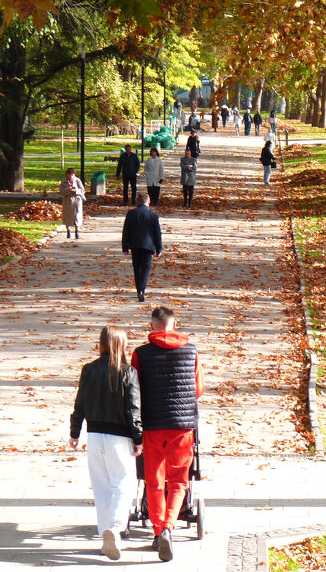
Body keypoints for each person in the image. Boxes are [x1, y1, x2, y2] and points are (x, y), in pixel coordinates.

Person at [131, 306, 204, 563]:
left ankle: (157, 528)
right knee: (178, 481)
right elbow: (198, 389)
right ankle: (168, 528)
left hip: (152, 425)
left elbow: (134, 390)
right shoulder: (191, 351)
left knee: (153, 480)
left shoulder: (140, 354)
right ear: (175, 324)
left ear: (152, 327)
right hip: (182, 427)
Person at [69, 326, 143, 561]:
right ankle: (116, 526)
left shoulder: (89, 370)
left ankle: (106, 536)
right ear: (122, 344)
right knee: (124, 484)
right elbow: (133, 409)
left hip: (94, 434)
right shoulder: (127, 372)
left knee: (101, 487)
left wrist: (74, 432)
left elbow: (79, 403)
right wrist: (138, 437)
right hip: (120, 437)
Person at [121, 192, 162, 302]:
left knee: (137, 268)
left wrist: (125, 247)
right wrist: (159, 248)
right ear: (149, 202)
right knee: (145, 268)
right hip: (148, 247)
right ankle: (142, 289)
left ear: (137, 202)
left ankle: (138, 288)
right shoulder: (153, 216)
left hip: (135, 245)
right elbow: (157, 233)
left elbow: (126, 231)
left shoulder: (131, 214)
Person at [60, 168, 86, 239]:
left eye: (73, 174)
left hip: (77, 200)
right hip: (68, 201)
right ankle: (68, 232)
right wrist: (68, 190)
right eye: (70, 175)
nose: (71, 176)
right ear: (67, 174)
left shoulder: (77, 180)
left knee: (77, 216)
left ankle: (76, 231)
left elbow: (83, 190)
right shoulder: (64, 181)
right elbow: (61, 192)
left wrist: (76, 190)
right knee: (67, 217)